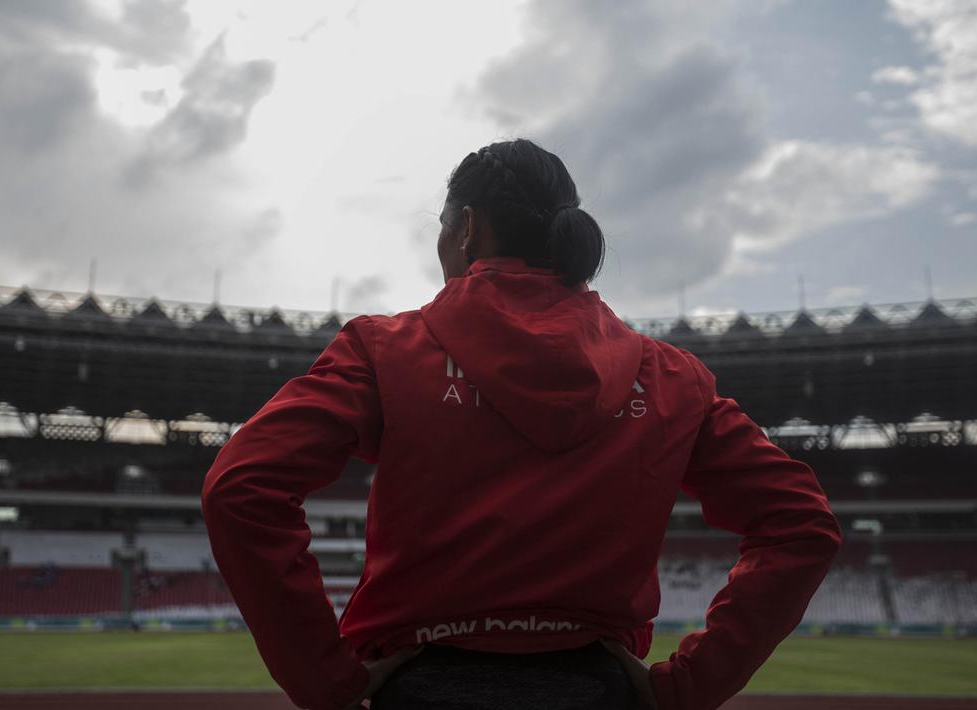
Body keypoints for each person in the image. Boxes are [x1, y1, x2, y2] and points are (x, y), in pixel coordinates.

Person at [201, 139, 843, 710]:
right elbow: (801, 522)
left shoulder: (385, 349)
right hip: (599, 688)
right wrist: (690, 685)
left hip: (424, 687)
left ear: (467, 229)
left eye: (442, 225)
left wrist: (325, 680)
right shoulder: (672, 377)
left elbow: (241, 486)